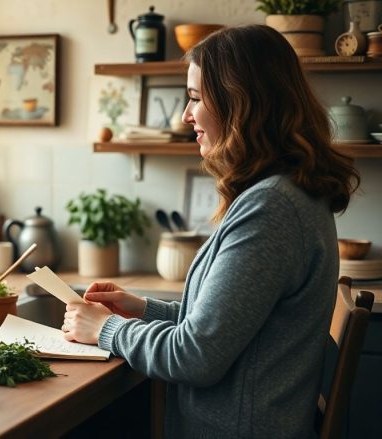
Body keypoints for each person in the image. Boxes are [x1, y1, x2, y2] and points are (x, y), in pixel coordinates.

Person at [62, 25, 360, 437]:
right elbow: (226, 329)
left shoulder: (272, 209)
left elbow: (195, 357)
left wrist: (104, 329)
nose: (187, 115)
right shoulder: (286, 192)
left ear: (240, 104)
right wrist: (141, 308)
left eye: (196, 98)